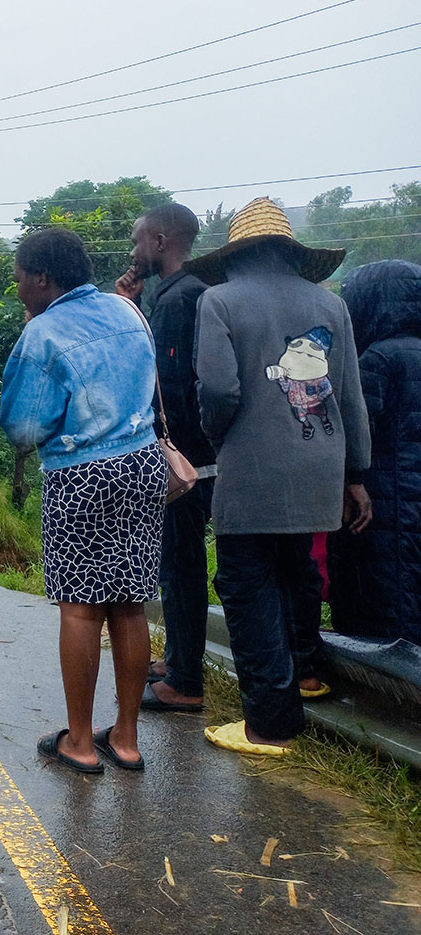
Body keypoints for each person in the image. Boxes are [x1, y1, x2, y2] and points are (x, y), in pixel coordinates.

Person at [187, 197, 371, 756]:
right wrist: (355, 474)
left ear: (235, 255)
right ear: (291, 252)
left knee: (247, 586)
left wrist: (222, 438)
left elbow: (217, 391)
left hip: (252, 469)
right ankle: (303, 683)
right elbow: (350, 397)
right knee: (298, 578)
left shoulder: (218, 300)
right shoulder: (328, 304)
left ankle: (268, 725)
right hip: (321, 467)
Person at [0, 227, 165, 774]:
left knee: (81, 606)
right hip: (143, 466)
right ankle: (126, 737)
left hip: (82, 475)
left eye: (20, 276)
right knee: (130, 603)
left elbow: (23, 427)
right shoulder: (126, 312)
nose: (17, 285)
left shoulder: (43, 333)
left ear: (42, 277)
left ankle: (76, 741)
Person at [116, 203, 218, 714]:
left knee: (181, 567)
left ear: (159, 241)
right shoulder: (181, 294)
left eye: (137, 241)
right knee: (178, 564)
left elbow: (170, 387)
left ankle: (185, 681)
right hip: (198, 456)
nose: (133, 252)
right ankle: (177, 659)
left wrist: (161, 442)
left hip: (185, 459)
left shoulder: (182, 301)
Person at [327, 259, 420, 644]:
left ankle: (387, 686)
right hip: (410, 493)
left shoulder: (377, 359)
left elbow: (356, 428)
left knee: (384, 588)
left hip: (382, 497)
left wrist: (351, 479)